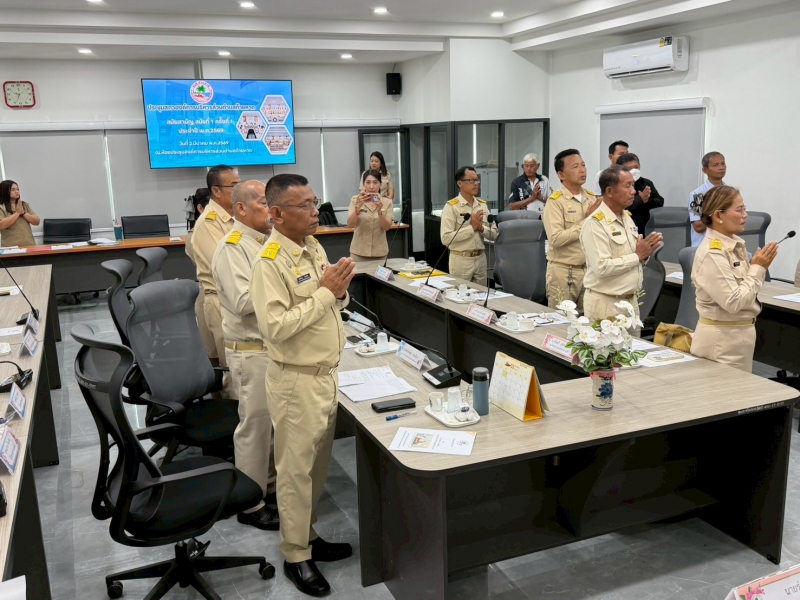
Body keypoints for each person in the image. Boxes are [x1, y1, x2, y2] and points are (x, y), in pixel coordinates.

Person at [250, 174, 355, 597]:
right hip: (296, 381)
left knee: (315, 469)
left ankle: (307, 536)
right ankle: (295, 555)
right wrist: (328, 293)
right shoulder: (269, 262)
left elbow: (331, 303)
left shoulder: (312, 247)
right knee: (294, 474)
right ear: (277, 214)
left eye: (315, 202)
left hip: (325, 376)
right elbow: (275, 328)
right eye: (304, 206)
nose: (315, 212)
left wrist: (339, 292)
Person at [211, 180, 278, 531]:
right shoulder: (232, 247)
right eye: (265, 203)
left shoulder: (266, 241)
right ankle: (250, 504)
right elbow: (241, 302)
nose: (271, 210)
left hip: (272, 347)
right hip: (251, 351)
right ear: (241, 209)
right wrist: (282, 289)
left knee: (272, 429)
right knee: (254, 429)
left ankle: (268, 488)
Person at [690, 185, 777, 372]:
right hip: (721, 340)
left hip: (739, 335)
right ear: (718, 216)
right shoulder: (712, 252)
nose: (745, 215)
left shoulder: (734, 245)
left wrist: (757, 267)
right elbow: (733, 302)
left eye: (744, 209)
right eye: (739, 210)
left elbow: (746, 291)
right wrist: (758, 267)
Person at [580, 165, 663, 322]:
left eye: (633, 185)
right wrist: (638, 256)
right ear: (610, 191)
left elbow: (633, 256)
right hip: (606, 304)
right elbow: (602, 267)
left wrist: (645, 254)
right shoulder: (595, 223)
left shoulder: (626, 217)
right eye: (627, 186)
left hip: (631, 303)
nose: (633, 191)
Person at [190, 165, 240, 390]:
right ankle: (233, 410)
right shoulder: (209, 223)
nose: (239, 189)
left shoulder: (235, 217)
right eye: (234, 186)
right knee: (233, 368)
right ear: (216, 191)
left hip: (236, 298)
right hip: (222, 301)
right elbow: (225, 267)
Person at [541, 150, 602, 310]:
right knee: (561, 320)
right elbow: (555, 239)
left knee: (587, 320)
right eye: (575, 167)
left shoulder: (592, 198)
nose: (582, 170)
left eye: (583, 165)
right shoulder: (555, 202)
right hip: (563, 272)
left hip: (589, 271)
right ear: (561, 175)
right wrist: (586, 221)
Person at [440, 166, 497, 284]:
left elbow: (495, 235)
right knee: (460, 294)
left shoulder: (482, 205)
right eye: (471, 180)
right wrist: (472, 228)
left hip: (481, 258)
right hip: (461, 259)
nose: (476, 184)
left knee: (481, 294)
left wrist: (481, 228)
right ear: (460, 183)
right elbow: (446, 238)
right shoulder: (452, 207)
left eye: (477, 180)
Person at [347, 169, 394, 262]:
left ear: (380, 185)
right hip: (358, 252)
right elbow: (350, 224)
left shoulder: (387, 202)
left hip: (380, 252)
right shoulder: (355, 200)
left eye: (375, 182)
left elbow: (386, 227)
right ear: (363, 184)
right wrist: (357, 208)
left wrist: (380, 212)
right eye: (368, 182)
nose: (371, 187)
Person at [615, 152, 664, 234]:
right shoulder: (617, 185)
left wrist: (648, 200)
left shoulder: (646, 183)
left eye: (636, 167)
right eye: (629, 168)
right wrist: (639, 199)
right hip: (624, 229)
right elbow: (617, 207)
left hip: (646, 228)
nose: (634, 170)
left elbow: (660, 202)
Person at [689, 151, 727, 247]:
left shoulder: (730, 193)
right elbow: (698, 226)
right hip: (704, 248)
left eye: (723, 163)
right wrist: (717, 211)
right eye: (715, 165)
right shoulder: (697, 195)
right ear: (705, 170)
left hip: (725, 246)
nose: (721, 167)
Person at [0, 180, 40, 247]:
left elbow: (37, 221)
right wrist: (17, 213)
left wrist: (24, 213)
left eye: (17, 189)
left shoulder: (24, 205)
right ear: (5, 191)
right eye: (13, 190)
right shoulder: (1, 207)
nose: (17, 191)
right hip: (11, 248)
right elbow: (1, 225)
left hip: (30, 245)